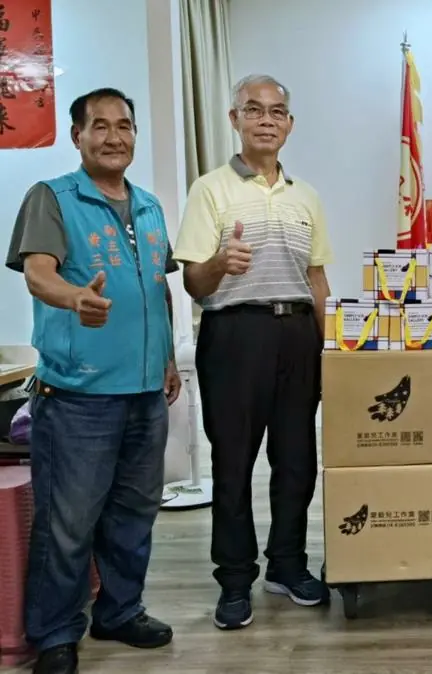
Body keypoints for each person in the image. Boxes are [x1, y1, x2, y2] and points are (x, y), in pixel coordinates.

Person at [5, 88, 180, 674]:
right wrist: (75, 298)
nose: (113, 137)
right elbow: (38, 273)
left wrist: (168, 359)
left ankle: (120, 611)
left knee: (134, 515)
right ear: (77, 136)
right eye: (99, 126)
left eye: (123, 125)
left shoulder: (150, 206)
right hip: (78, 397)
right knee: (68, 523)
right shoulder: (52, 197)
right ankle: (55, 632)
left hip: (144, 393)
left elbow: (157, 287)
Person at [173, 74, 333, 630]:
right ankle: (235, 579)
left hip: (298, 336)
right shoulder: (210, 189)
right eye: (254, 110)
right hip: (234, 336)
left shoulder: (305, 196)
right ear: (234, 119)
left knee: (297, 460)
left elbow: (317, 280)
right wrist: (221, 263)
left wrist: (332, 350)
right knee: (234, 462)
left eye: (277, 111)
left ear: (290, 123)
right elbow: (193, 282)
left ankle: (286, 564)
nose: (267, 120)